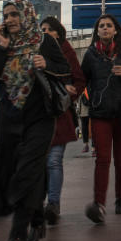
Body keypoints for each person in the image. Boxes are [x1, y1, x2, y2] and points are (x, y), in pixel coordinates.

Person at [0, 0, 69, 241]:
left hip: (40, 117)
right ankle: (38, 218)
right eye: (6, 15)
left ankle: (16, 236)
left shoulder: (45, 41)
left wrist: (45, 65)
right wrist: (3, 50)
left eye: (15, 14)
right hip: (10, 117)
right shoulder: (1, 42)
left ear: (27, 15)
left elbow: (65, 71)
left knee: (27, 170)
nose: (10, 19)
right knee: (20, 170)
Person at [80, 14, 121, 223]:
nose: (105, 28)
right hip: (100, 114)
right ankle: (99, 204)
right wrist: (86, 99)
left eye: (109, 25)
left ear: (116, 30)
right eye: (101, 26)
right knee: (103, 158)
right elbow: (82, 81)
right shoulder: (90, 55)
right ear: (97, 31)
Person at [39, 16, 86, 226]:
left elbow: (79, 80)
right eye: (42, 29)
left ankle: (54, 204)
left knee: (54, 160)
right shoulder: (35, 51)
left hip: (59, 113)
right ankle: (39, 203)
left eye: (48, 29)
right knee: (40, 163)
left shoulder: (66, 51)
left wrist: (68, 95)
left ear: (58, 32)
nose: (44, 33)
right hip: (39, 115)